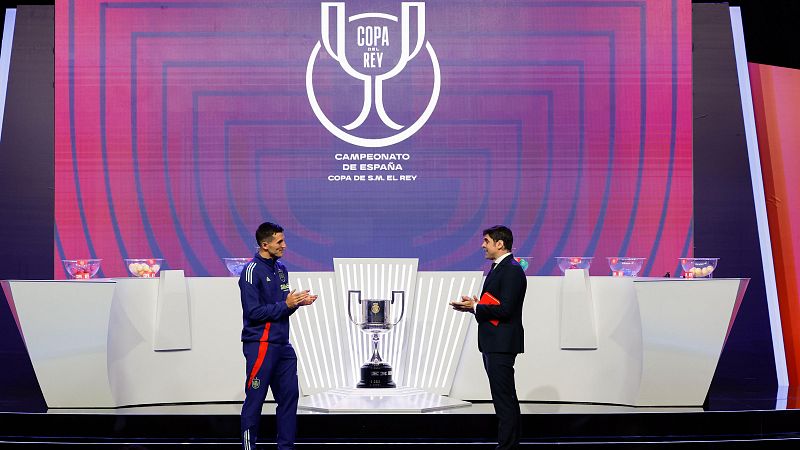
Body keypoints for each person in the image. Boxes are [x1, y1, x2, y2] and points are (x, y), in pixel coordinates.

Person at [240, 222, 317, 450]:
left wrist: (297, 303)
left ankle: (286, 447)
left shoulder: (281, 269)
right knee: (255, 400)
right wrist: (286, 305)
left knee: (289, 398)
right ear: (265, 245)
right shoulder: (251, 271)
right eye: (279, 242)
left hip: (282, 345)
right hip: (260, 344)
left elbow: (281, 306)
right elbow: (253, 312)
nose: (284, 245)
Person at [450, 225, 526, 450]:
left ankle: (507, 446)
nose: (482, 245)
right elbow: (498, 305)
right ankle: (508, 444)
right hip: (494, 342)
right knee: (503, 397)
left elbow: (506, 310)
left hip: (501, 343)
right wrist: (475, 306)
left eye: (486, 241)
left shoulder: (512, 269)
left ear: (499, 244)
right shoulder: (500, 268)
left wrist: (475, 306)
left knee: (504, 398)